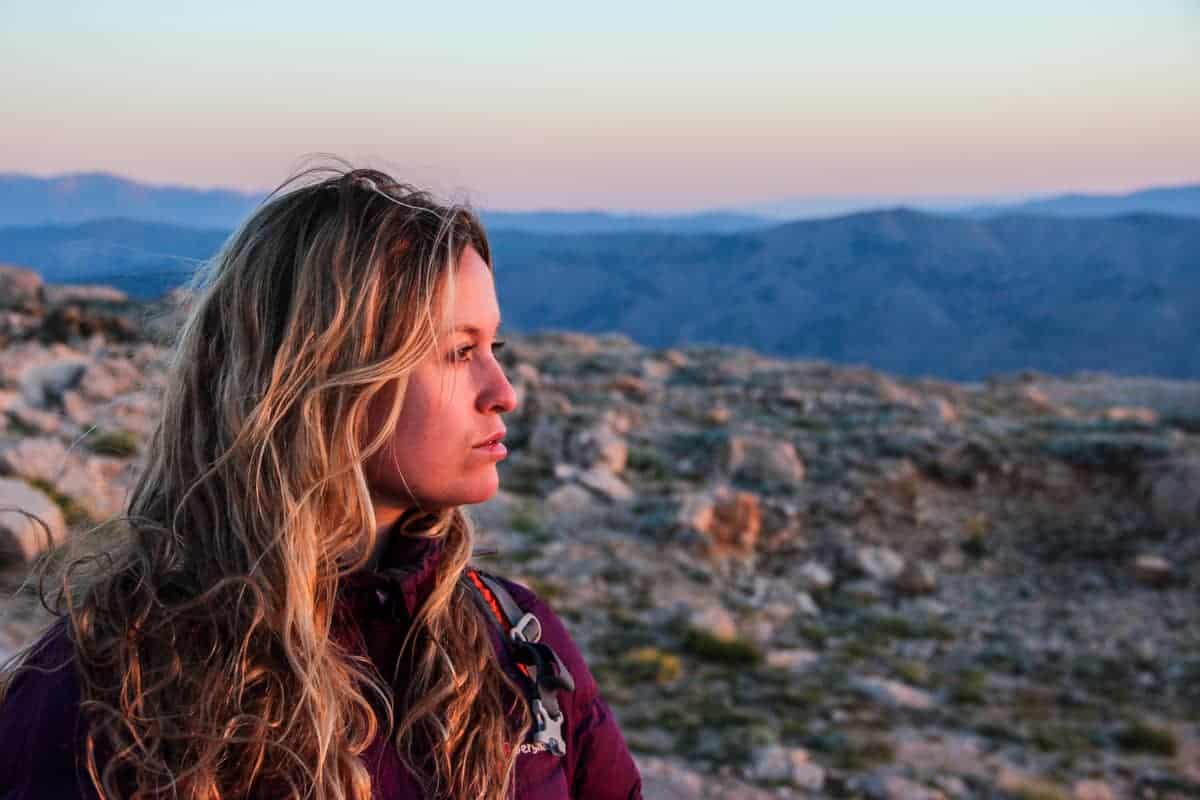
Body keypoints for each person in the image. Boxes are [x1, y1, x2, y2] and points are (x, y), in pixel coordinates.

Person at [0, 167, 642, 799]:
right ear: (320, 377)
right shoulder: (112, 690)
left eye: (493, 347)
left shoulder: (516, 642)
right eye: (457, 352)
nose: (503, 393)